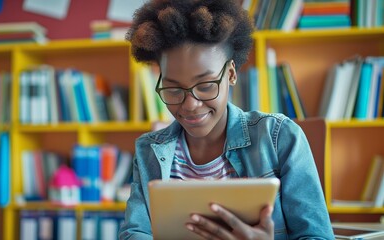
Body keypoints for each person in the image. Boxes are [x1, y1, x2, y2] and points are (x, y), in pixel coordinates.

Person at [119, 0, 334, 239]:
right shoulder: (148, 150)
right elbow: (135, 232)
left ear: (230, 74)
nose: (190, 105)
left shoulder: (280, 137)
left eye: (206, 85)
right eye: (173, 89)